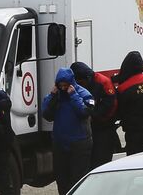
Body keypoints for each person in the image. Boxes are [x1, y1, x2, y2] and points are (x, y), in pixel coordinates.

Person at [42, 66, 95, 194]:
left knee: (78, 178)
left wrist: (73, 96)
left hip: (80, 143)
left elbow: (84, 112)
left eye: (66, 85)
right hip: (60, 143)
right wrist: (53, 97)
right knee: (62, 179)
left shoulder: (84, 94)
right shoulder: (55, 96)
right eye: (61, 85)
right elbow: (47, 115)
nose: (63, 87)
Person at [71, 61, 118, 169]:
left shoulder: (103, 82)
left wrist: (93, 116)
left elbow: (111, 106)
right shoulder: (77, 86)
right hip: (87, 129)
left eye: (81, 82)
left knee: (101, 161)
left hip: (103, 127)